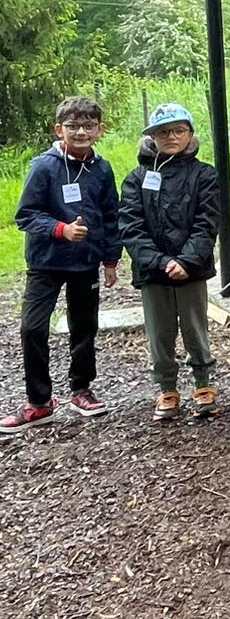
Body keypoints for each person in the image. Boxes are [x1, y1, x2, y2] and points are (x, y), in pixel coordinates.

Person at [3, 96, 122, 434]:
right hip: (46, 262)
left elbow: (111, 215)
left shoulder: (102, 168)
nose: (81, 132)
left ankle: (81, 389)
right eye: (73, 126)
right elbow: (25, 215)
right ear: (60, 130)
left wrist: (111, 258)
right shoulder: (44, 166)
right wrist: (61, 230)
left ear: (100, 130)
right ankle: (39, 402)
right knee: (32, 328)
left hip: (86, 263)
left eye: (88, 126)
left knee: (84, 327)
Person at [117, 103, 220, 422]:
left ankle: (203, 384)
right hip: (153, 273)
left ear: (190, 134)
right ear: (151, 137)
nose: (171, 137)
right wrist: (160, 261)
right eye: (163, 132)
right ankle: (166, 388)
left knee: (195, 327)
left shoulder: (205, 174)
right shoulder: (136, 178)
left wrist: (187, 259)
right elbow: (130, 227)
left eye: (178, 130)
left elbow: (208, 221)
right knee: (159, 332)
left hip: (191, 270)